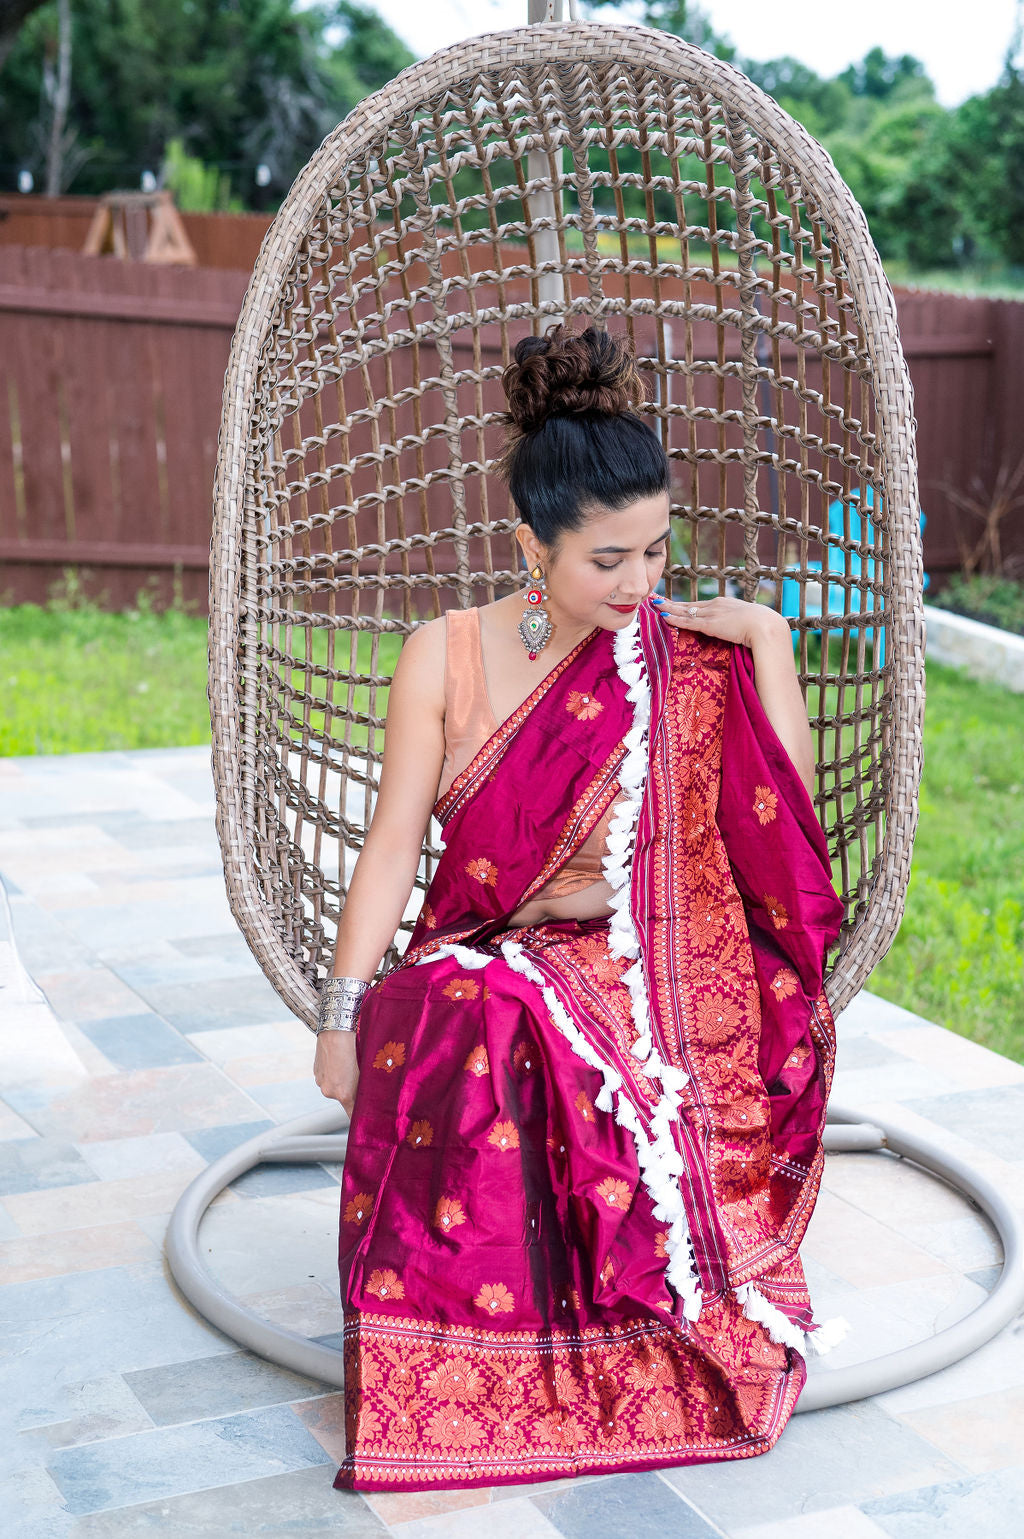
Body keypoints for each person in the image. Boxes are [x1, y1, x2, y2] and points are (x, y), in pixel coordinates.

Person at [314, 322, 847, 1493]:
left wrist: (766, 644)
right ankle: (469, 1356)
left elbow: (782, 847)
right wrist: (339, 1012)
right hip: (483, 940)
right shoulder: (442, 655)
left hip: (643, 956)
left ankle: (600, 1334)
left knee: (510, 1028)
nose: (640, 584)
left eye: (658, 551)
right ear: (530, 547)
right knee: (456, 1012)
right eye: (608, 559)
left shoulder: (681, 660)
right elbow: (395, 843)